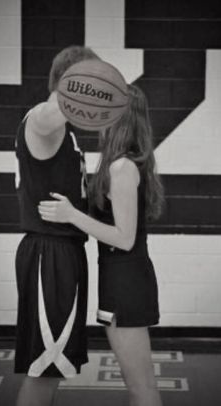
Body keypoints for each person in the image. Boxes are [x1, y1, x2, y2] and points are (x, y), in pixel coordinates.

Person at [38, 84, 164, 406]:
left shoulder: (122, 168)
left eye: (108, 111)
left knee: (142, 389)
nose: (100, 116)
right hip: (120, 279)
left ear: (122, 117)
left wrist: (71, 215)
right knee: (139, 386)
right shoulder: (123, 163)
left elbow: (124, 238)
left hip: (127, 283)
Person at [14, 45, 100, 406]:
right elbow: (44, 116)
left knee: (53, 369)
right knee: (44, 369)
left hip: (64, 254)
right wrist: (86, 90)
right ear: (73, 81)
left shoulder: (69, 134)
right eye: (92, 81)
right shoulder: (43, 120)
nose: (99, 89)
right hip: (48, 254)